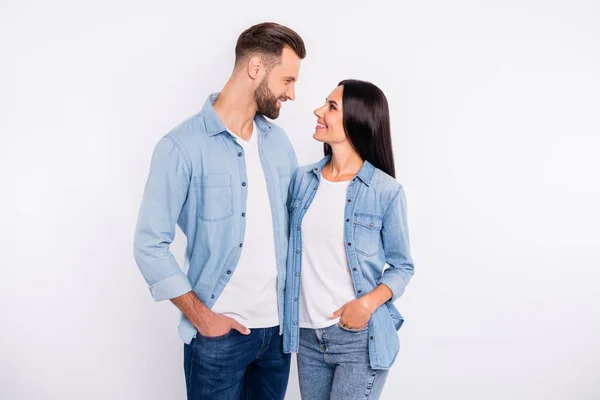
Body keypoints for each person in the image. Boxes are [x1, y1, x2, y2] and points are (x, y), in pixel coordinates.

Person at [133, 22, 305, 399]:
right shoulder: (181, 147)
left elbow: (301, 230)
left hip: (278, 338)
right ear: (256, 68)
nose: (292, 93)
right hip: (216, 342)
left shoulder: (278, 144)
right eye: (288, 80)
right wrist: (203, 318)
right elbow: (149, 243)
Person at [283, 79, 415, 399]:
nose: (318, 111)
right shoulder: (302, 180)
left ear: (357, 119)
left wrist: (366, 304)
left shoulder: (385, 191)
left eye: (331, 107)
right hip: (307, 336)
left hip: (358, 338)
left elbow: (402, 266)